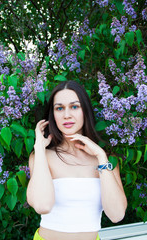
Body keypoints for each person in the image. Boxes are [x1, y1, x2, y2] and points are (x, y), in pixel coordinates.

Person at [27, 80, 127, 240]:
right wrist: (39, 149)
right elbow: (42, 205)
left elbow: (116, 214)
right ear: (53, 115)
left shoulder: (106, 160)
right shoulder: (42, 156)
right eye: (59, 108)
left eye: (74, 106)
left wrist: (101, 157)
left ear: (85, 111)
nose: (67, 115)